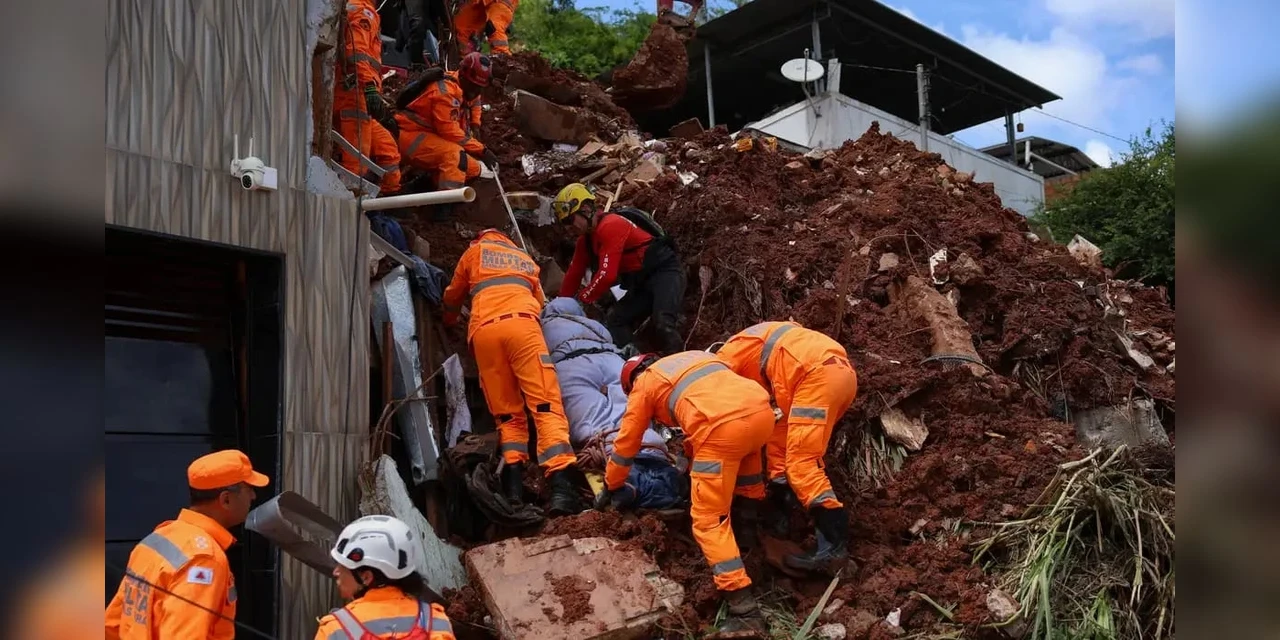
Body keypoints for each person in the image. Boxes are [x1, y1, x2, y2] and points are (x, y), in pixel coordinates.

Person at [600, 351, 774, 633]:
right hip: (761, 413)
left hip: (720, 429)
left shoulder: (645, 384)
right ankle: (749, 544)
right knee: (748, 483)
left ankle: (744, 608)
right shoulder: (691, 358)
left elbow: (626, 444)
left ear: (632, 381)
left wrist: (612, 484)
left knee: (708, 519)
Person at [442, 228, 584, 515]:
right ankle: (561, 489)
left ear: (479, 237)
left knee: (507, 415)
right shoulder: (524, 258)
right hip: (523, 328)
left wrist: (449, 320)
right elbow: (542, 305)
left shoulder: (474, 253)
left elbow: (452, 296)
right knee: (545, 406)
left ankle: (513, 489)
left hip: (484, 333)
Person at [712, 320, 859, 574]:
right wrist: (777, 479)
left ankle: (834, 550)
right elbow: (774, 423)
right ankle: (782, 502)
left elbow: (729, 415)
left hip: (813, 377)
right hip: (840, 375)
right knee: (784, 440)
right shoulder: (762, 341)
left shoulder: (724, 362)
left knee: (802, 463)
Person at [105, 450, 270, 640]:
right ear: (226, 499)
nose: (253, 496)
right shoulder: (204, 559)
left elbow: (112, 625)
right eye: (248, 488)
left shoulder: (158, 538)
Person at [552, 183, 686, 357]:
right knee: (614, 320)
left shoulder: (611, 225)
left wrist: (583, 298)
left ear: (585, 209)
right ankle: (636, 360)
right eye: (564, 224)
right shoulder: (585, 242)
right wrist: (560, 307)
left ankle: (680, 362)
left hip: (665, 272)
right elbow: (574, 275)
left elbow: (607, 275)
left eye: (570, 220)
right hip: (641, 284)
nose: (568, 228)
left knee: (663, 322)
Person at [314, 515, 455, 639]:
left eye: (343, 566)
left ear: (366, 577)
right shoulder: (436, 623)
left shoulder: (335, 630)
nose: (336, 572)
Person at [395, 52, 499, 192]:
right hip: (411, 136)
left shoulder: (464, 85)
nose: (476, 91)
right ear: (463, 77)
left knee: (473, 168)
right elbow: (448, 131)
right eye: (474, 86)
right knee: (455, 156)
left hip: (429, 136)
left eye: (480, 88)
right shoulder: (445, 93)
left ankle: (424, 184)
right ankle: (446, 202)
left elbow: (475, 101)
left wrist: (475, 124)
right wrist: (482, 150)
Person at [335, 0, 402, 193]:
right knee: (356, 163)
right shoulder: (364, 12)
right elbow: (356, 53)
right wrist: (370, 87)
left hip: (358, 95)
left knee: (388, 148)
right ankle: (351, 208)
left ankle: (389, 198)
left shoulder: (360, 9)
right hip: (354, 94)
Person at [453, 0, 517, 56]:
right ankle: (463, 58)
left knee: (494, 26)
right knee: (459, 27)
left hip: (500, 3)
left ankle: (503, 57)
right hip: (480, 2)